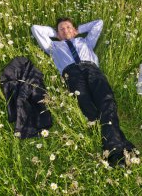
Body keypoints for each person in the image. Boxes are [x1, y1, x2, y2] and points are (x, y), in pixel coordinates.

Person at [31, 18, 136, 167]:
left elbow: (98, 23)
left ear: (74, 30)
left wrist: (77, 30)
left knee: (107, 101)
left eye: (68, 27)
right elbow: (36, 28)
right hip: (72, 74)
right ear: (57, 34)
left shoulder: (86, 42)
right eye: (61, 29)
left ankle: (114, 150)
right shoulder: (53, 46)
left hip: (92, 70)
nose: (65, 30)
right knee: (87, 108)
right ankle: (121, 146)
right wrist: (56, 33)